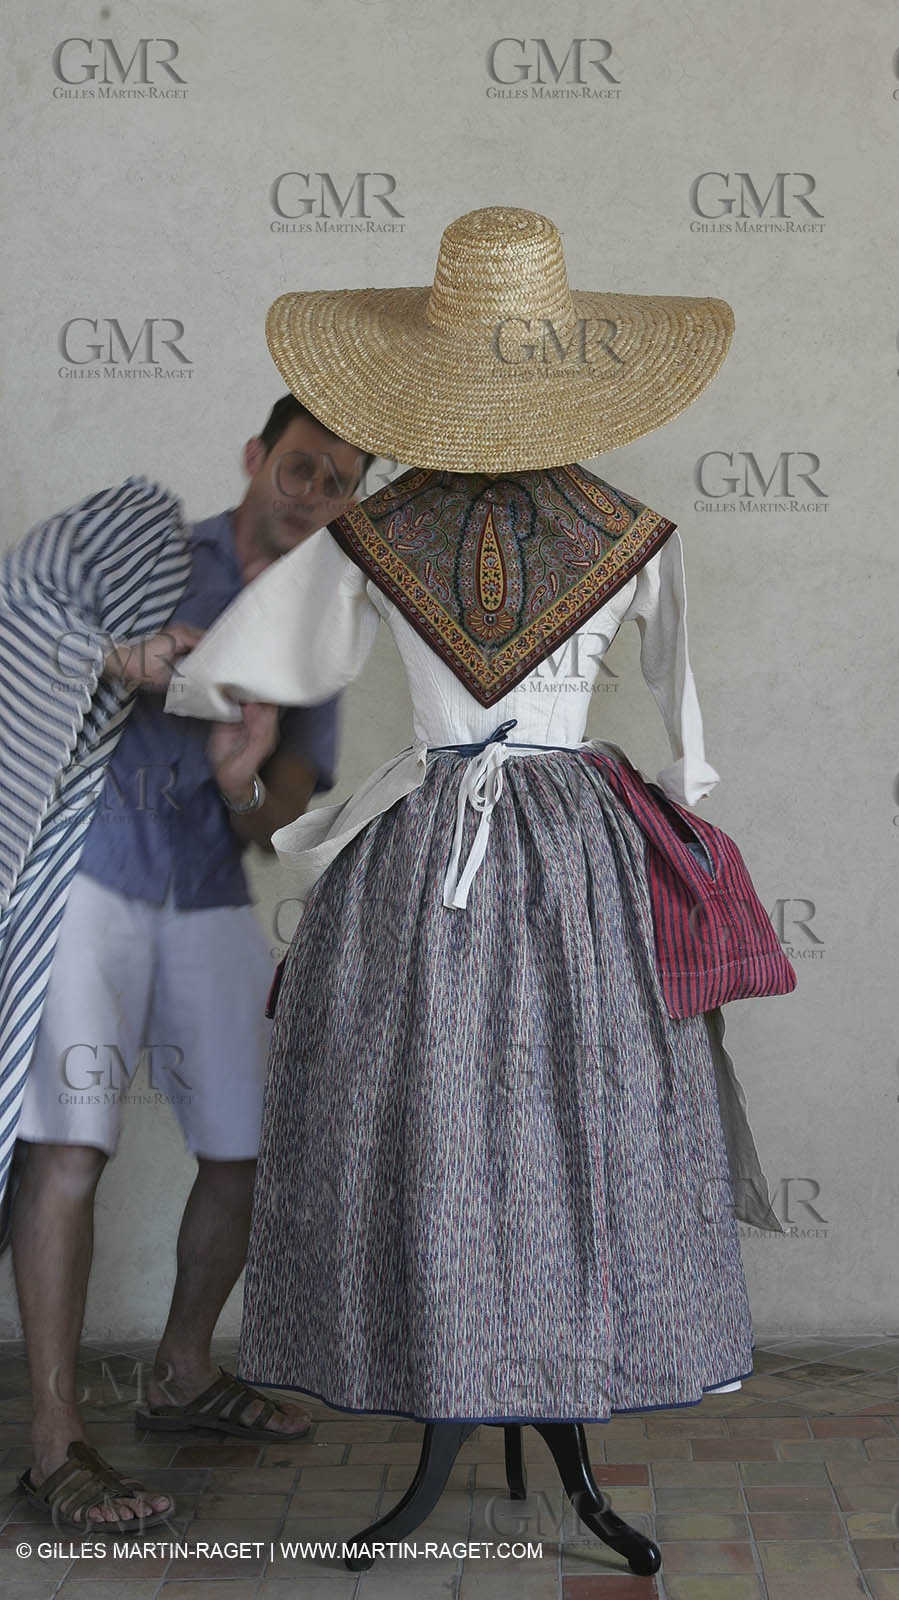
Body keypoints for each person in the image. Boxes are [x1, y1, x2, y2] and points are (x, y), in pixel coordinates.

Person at [165, 207, 788, 1434]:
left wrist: (195, 696)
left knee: (432, 1100)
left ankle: (481, 1365)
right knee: (570, 1100)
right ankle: (503, 1362)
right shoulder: (635, 535)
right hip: (583, 843)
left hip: (427, 842)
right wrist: (689, 780)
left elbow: (232, 666)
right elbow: (684, 726)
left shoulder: (370, 536)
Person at [2, 396, 371, 1530]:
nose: (311, 498)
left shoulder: (321, 624)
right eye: (300, 469)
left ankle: (179, 1369)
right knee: (69, 1144)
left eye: (338, 486)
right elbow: (23, 614)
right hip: (89, 879)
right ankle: (56, 1437)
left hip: (207, 885)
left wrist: (238, 776)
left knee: (246, 1148)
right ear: (257, 458)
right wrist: (127, 656)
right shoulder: (148, 547)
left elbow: (287, 809)